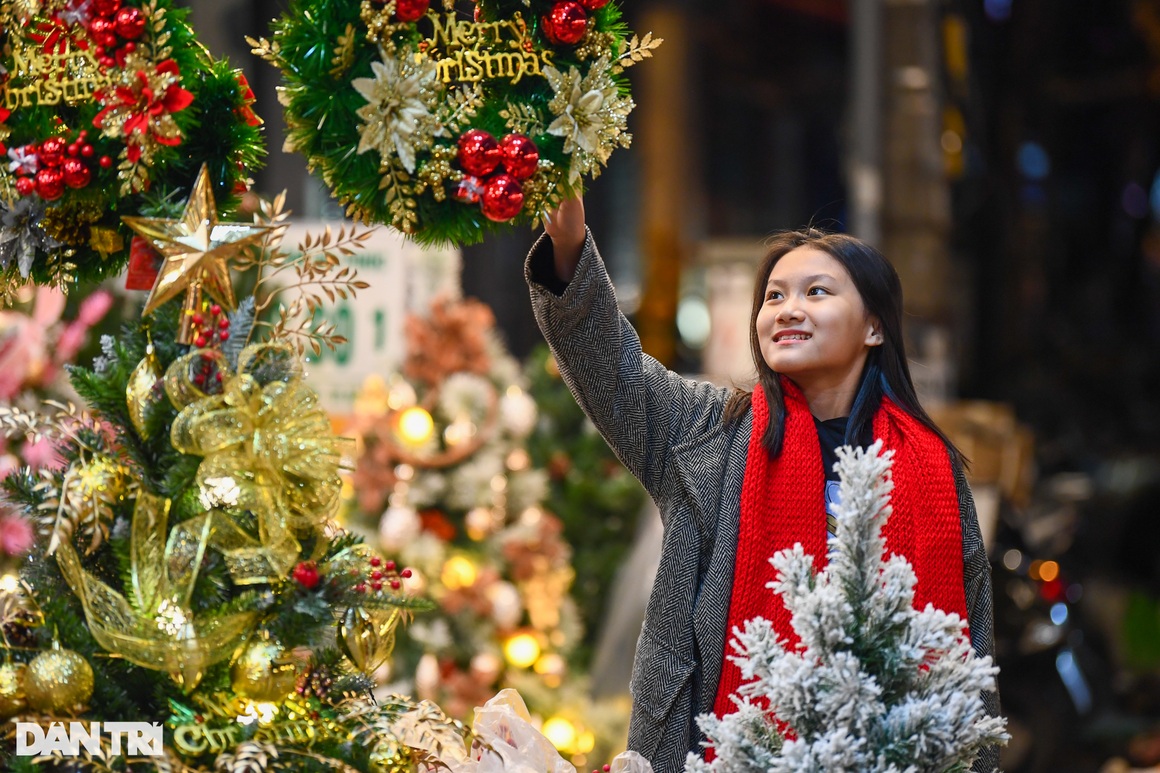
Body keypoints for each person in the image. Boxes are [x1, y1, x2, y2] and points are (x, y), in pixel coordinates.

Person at [524, 197, 1000, 773]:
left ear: (875, 325)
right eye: (773, 296)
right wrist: (570, 246)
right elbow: (612, 369)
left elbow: (967, 654)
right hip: (722, 753)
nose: (787, 310)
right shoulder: (709, 430)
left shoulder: (931, 465)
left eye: (816, 292)